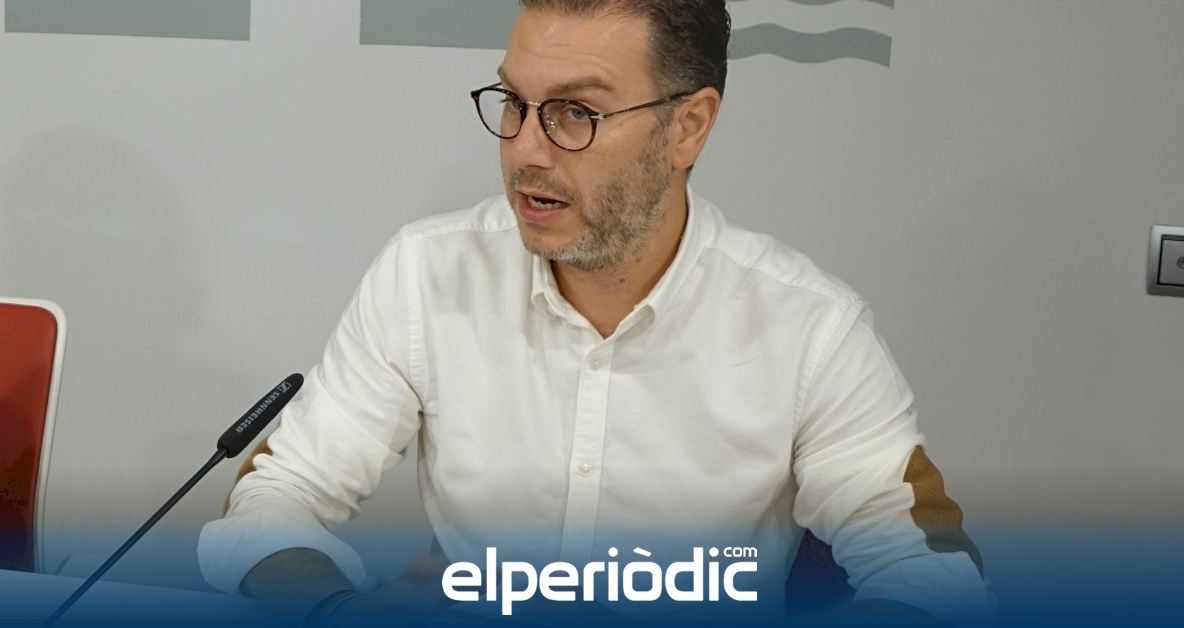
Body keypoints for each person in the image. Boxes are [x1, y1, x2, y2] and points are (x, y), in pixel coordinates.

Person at [199, 1, 995, 624]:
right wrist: (338, 611)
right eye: (514, 103)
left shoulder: (809, 328)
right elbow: (273, 499)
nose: (526, 149)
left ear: (687, 127)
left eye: (575, 113)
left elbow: (937, 581)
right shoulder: (427, 274)